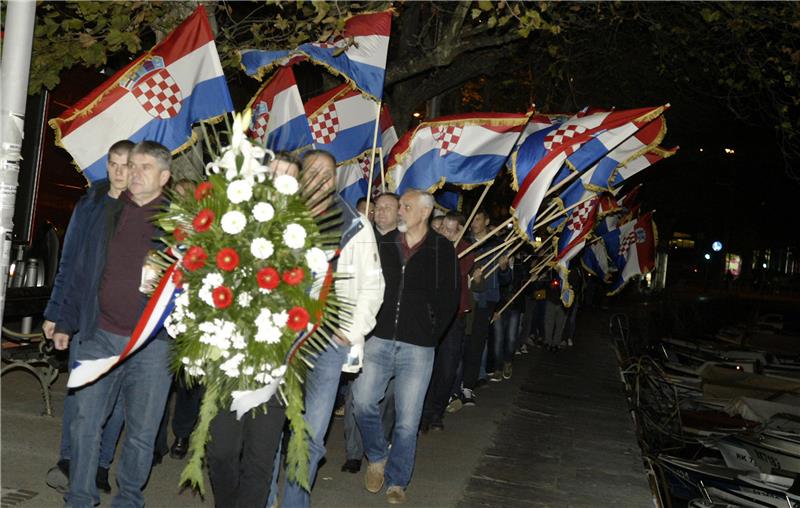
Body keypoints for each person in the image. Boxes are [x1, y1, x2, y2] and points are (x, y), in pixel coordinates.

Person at [52, 141, 174, 508]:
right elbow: (80, 269)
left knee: (140, 432)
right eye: (131, 166)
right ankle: (80, 497)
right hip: (98, 335)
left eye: (144, 167)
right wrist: (64, 321)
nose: (133, 173)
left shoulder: (182, 224)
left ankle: (129, 499)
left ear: (164, 177)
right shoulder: (103, 209)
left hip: (152, 345)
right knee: (85, 423)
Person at [280, 149, 385, 508]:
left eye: (329, 173)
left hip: (327, 344)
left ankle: (295, 502)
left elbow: (373, 286)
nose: (322, 178)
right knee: (270, 431)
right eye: (314, 171)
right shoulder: (276, 216)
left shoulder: (356, 226)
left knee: (310, 434)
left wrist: (351, 329)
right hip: (277, 340)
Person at [205, 152, 304, 508]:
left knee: (261, 460)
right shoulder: (230, 223)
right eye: (273, 175)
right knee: (221, 452)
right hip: (228, 360)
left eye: (288, 178)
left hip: (278, 365)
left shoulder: (306, 237)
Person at [352, 189, 459, 504]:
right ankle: (376, 455)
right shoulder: (385, 244)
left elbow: (449, 300)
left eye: (406, 207)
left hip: (417, 347)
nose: (400, 211)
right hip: (378, 338)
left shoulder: (442, 249)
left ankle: (397, 481)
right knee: (361, 402)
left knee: (408, 419)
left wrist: (428, 333)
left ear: (425, 212)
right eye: (399, 206)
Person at [44, 140, 133, 495]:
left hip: (125, 321)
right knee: (81, 395)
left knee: (118, 401)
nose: (119, 172)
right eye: (113, 164)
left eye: (126, 165)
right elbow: (70, 264)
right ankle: (71, 459)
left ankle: (100, 464)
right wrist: (57, 314)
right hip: (87, 316)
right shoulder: (90, 204)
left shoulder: (143, 209)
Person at [421, 211, 475, 431]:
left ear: (460, 231)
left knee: (447, 368)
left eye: (452, 231)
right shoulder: (429, 245)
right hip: (429, 315)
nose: (446, 233)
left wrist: (448, 251)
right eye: (444, 229)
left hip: (454, 317)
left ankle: (436, 411)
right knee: (426, 365)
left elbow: (456, 271)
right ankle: (422, 411)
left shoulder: (466, 252)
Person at [459, 209, 502, 406]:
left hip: (486, 300)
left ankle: (468, 386)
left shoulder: (497, 244)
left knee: (477, 342)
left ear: (487, 220)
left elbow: (506, 279)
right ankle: (456, 383)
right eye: (472, 218)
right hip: (466, 297)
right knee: (462, 342)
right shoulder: (464, 242)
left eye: (478, 218)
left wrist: (504, 268)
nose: (474, 222)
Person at [491, 252, 528, 381]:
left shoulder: (520, 264)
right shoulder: (497, 263)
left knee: (512, 338)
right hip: (499, 306)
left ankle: (508, 363)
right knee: (498, 339)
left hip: (514, 307)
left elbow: (525, 283)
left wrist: (531, 277)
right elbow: (495, 285)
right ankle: (497, 368)